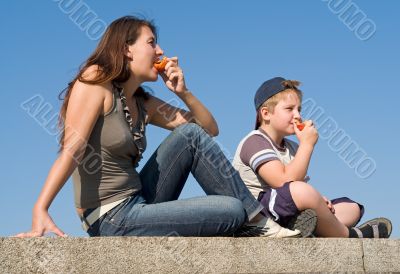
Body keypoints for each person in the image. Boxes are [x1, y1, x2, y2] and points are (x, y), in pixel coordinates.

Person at [16, 16, 302, 238]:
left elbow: (208, 130)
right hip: (111, 217)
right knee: (231, 209)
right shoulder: (96, 81)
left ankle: (258, 221)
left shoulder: (143, 102)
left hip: (140, 199)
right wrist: (40, 209)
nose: (161, 50)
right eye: (151, 42)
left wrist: (183, 92)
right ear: (127, 49)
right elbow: (73, 149)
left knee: (189, 135)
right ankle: (256, 221)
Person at [233, 76, 392, 238]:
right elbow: (283, 182)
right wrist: (307, 145)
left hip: (287, 207)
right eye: (289, 109)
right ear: (266, 113)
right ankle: (348, 235)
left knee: (352, 207)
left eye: (299, 110)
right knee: (302, 192)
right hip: (259, 211)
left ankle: (308, 225)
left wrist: (319, 201)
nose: (297, 115)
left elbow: (297, 187)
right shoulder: (255, 141)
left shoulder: (293, 147)